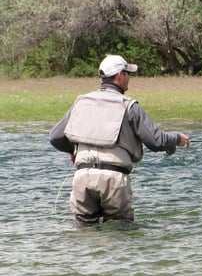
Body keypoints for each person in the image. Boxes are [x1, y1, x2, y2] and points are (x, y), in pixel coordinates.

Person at [49, 54, 190, 224]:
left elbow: (55, 137)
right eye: (128, 73)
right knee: (120, 235)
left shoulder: (81, 101)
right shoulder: (129, 105)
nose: (129, 77)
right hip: (113, 179)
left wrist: (74, 151)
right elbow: (156, 141)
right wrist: (177, 139)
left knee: (84, 236)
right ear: (119, 75)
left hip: (82, 177)